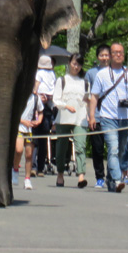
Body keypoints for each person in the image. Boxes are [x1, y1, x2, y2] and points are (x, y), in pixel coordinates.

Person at [88, 43, 128, 192]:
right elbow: (94, 97)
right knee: (113, 148)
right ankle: (117, 179)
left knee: (121, 151)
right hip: (107, 117)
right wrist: (92, 116)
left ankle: (110, 180)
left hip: (125, 118)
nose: (118, 55)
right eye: (115, 52)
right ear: (110, 55)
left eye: (121, 52)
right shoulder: (102, 74)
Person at [53, 54, 88, 188]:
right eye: (74, 63)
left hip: (80, 118)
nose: (76, 67)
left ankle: (81, 176)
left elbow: (87, 101)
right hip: (64, 118)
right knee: (62, 146)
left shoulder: (85, 83)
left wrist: (90, 114)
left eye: (78, 64)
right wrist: (66, 106)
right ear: (69, 63)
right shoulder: (62, 80)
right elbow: (56, 100)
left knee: (80, 146)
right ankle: (60, 173)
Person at [84, 45, 110, 187]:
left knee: (114, 148)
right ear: (97, 57)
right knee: (98, 148)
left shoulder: (116, 72)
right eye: (102, 55)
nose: (105, 58)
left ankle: (113, 175)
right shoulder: (91, 73)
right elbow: (87, 96)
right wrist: (90, 114)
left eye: (107, 55)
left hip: (113, 116)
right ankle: (100, 176)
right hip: (97, 115)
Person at [14, 82, 43, 190]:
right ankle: (15, 170)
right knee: (18, 150)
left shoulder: (36, 98)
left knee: (29, 154)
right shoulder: (19, 97)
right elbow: (13, 113)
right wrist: (23, 121)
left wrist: (39, 120)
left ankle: (27, 179)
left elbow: (41, 111)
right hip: (19, 127)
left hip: (30, 129)